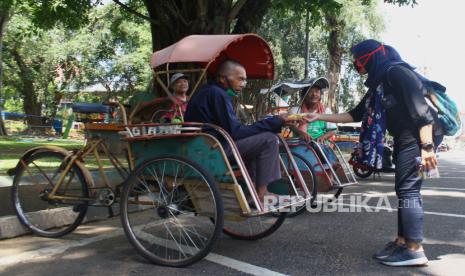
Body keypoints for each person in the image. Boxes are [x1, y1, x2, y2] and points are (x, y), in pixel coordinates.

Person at [305, 39, 438, 266]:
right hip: (406, 138)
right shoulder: (381, 81)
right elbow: (355, 114)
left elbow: (422, 112)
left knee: (409, 191)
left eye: (359, 61)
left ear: (370, 56)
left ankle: (415, 249)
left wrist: (427, 148)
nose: (358, 67)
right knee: (404, 190)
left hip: (419, 138)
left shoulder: (397, 72)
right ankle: (402, 242)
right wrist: (318, 116)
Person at [185, 59, 299, 203]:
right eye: (240, 79)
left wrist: (275, 122)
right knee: (269, 139)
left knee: (259, 140)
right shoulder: (217, 94)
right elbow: (236, 132)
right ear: (222, 78)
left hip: (209, 146)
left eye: (245, 80)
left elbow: (234, 130)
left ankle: (252, 192)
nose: (243, 84)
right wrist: (276, 121)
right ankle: (261, 194)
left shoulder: (210, 91)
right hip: (213, 149)